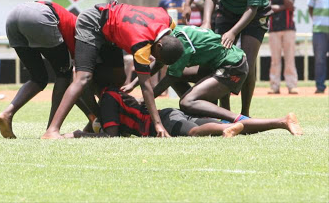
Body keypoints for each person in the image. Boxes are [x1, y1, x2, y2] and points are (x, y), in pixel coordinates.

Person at [42, 0, 184, 139]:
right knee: (83, 77)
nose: (154, 58)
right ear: (159, 46)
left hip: (112, 31)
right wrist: (158, 124)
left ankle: (100, 123)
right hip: (93, 22)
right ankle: (52, 130)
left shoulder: (168, 21)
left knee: (118, 80)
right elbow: (146, 86)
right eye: (157, 56)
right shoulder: (141, 44)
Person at [0, 1, 98, 139]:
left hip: (13, 17)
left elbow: (70, 93)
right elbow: (75, 84)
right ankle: (52, 129)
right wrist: (94, 114)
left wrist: (91, 115)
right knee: (64, 75)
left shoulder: (78, 26)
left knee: (38, 78)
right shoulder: (85, 40)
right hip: (40, 16)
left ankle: (7, 113)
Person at [201, 0, 272, 118]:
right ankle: (226, 113)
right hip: (227, 11)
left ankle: (245, 114)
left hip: (255, 13)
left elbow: (252, 7)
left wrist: (232, 32)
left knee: (246, 64)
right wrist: (207, 22)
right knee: (224, 61)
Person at [65, 87, 303, 138]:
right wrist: (87, 127)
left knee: (196, 133)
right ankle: (283, 121)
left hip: (161, 122)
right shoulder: (113, 95)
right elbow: (98, 125)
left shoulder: (107, 97)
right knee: (216, 124)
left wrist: (77, 135)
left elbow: (111, 137)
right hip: (168, 113)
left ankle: (225, 129)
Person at [268, 0, 298, 95]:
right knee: (275, 60)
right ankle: (275, 86)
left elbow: (290, 5)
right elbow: (268, 8)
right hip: (274, 30)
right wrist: (284, 7)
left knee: (290, 58)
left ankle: (292, 86)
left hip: (288, 29)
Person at [308, 0, 329, 94]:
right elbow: (310, 8)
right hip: (319, 30)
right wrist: (318, 21)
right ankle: (320, 86)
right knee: (320, 59)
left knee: (320, 59)